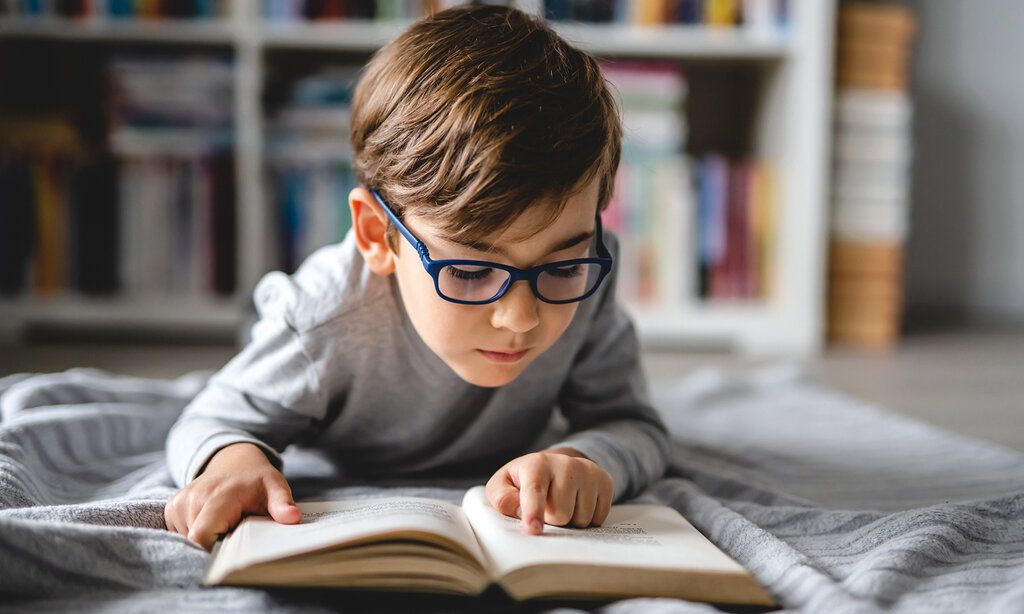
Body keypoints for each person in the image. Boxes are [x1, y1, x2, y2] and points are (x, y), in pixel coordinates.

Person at [163, 3, 670, 551]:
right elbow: (209, 420)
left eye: (564, 265)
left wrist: (584, 460)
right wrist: (234, 461)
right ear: (379, 237)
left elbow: (633, 423)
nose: (521, 317)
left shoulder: (590, 282)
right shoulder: (322, 321)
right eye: (471, 270)